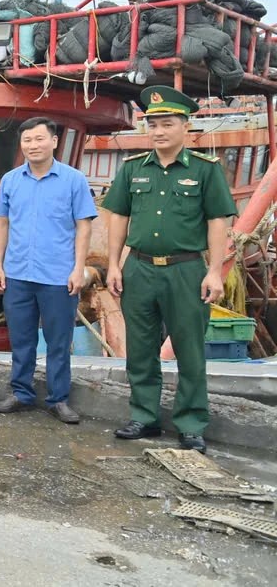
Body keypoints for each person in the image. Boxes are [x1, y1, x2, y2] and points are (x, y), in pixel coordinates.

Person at [105, 86, 235, 453]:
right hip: (140, 270)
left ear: (185, 126)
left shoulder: (205, 171)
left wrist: (214, 272)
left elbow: (217, 221)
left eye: (167, 124)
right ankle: (144, 416)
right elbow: (118, 217)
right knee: (141, 348)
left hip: (187, 271)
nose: (159, 131)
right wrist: (115, 265)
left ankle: (191, 423)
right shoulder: (132, 170)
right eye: (153, 125)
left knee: (190, 349)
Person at [0, 117, 97, 424]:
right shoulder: (11, 180)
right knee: (20, 338)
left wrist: (79, 269)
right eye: (27, 141)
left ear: (53, 141)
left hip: (58, 275)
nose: (33, 146)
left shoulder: (73, 180)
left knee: (58, 340)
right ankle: (21, 393)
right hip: (18, 273)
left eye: (39, 139)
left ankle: (58, 399)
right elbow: (3, 223)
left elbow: (83, 226)